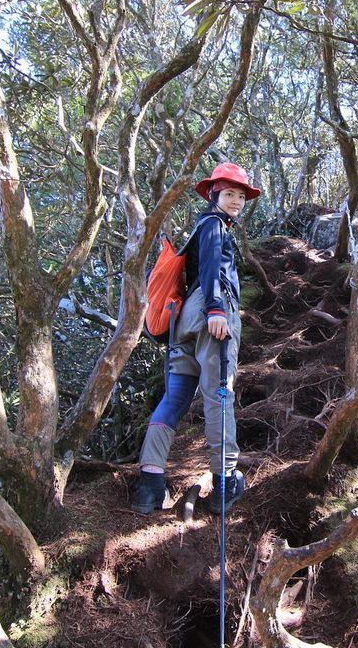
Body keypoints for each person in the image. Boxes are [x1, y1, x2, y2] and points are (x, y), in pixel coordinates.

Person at [131, 162, 261, 515]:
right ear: (214, 194)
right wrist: (218, 309)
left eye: (240, 195)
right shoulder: (215, 226)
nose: (235, 200)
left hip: (183, 319)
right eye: (229, 194)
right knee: (219, 394)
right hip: (209, 311)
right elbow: (212, 268)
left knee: (174, 398)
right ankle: (224, 481)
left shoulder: (200, 226)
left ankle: (150, 485)